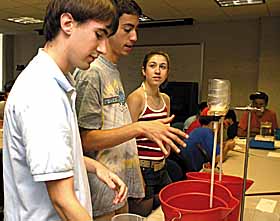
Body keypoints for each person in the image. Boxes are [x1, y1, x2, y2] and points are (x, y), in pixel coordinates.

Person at [3, 1, 128, 220]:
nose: (103, 48)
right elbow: (62, 201)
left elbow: (53, 156)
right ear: (68, 23)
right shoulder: (43, 92)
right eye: (99, 35)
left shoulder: (55, 84)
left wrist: (93, 166)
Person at [74, 1, 187, 220]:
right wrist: (139, 128)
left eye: (136, 29)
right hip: (99, 189)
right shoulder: (92, 73)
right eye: (127, 29)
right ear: (108, 28)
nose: (134, 37)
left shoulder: (112, 72)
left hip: (118, 185)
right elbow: (84, 140)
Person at [127, 51, 172, 216]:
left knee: (163, 212)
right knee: (142, 216)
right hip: (143, 170)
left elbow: (165, 129)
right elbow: (127, 139)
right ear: (143, 70)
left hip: (162, 168)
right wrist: (136, 176)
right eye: (152, 66)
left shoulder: (166, 99)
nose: (158, 71)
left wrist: (166, 149)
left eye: (163, 67)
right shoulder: (136, 98)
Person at [174, 107, 235, 173]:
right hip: (189, 169)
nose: (224, 127)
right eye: (222, 124)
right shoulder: (206, 132)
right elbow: (217, 159)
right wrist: (227, 148)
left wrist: (224, 145)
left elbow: (214, 149)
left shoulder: (201, 130)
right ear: (214, 123)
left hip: (184, 164)